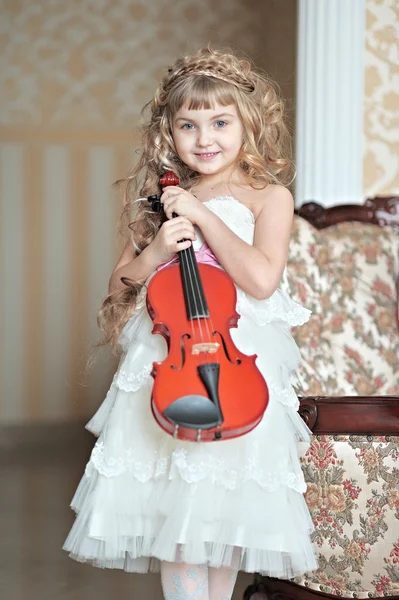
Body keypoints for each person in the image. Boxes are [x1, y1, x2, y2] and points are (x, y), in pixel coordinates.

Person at [63, 46, 317, 599]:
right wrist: (155, 250)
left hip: (237, 370)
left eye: (221, 122)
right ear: (169, 133)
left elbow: (260, 279)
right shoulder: (158, 202)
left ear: (249, 124)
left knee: (223, 517)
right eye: (189, 125)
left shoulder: (268, 197)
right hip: (169, 366)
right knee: (176, 520)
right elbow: (118, 287)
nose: (206, 139)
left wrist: (202, 216)